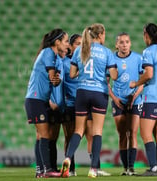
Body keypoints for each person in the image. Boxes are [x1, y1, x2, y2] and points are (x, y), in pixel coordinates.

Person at [60, 23, 118, 178]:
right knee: (97, 132)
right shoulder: (106, 52)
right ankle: (93, 169)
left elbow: (72, 75)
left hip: (82, 92)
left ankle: (67, 158)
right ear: (100, 35)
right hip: (99, 93)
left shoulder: (79, 50)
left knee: (78, 130)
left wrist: (84, 71)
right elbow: (114, 76)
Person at [24, 28, 69, 178]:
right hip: (36, 99)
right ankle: (48, 170)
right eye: (66, 41)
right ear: (57, 42)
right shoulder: (49, 52)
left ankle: (40, 171)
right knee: (45, 134)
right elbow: (53, 78)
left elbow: (54, 81)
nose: (67, 45)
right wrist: (56, 79)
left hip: (39, 100)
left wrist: (56, 80)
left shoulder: (53, 56)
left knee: (40, 135)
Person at [129, 23, 157, 176]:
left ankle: (153, 167)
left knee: (145, 133)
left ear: (147, 35)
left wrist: (136, 83)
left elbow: (148, 74)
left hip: (153, 96)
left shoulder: (149, 51)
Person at [108, 32, 143, 176]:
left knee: (133, 133)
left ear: (130, 44)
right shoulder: (111, 58)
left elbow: (143, 81)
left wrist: (135, 96)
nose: (124, 45)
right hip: (118, 101)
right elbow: (106, 82)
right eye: (121, 42)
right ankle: (125, 168)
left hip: (135, 100)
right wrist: (114, 98)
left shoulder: (138, 58)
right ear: (116, 44)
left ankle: (131, 167)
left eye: (127, 42)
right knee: (122, 134)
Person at [62, 33, 82, 177]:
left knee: (91, 134)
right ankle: (71, 167)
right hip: (69, 104)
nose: (80, 46)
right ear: (70, 46)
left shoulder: (86, 61)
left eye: (82, 44)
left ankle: (96, 166)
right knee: (69, 136)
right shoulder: (64, 63)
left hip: (84, 103)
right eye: (77, 44)